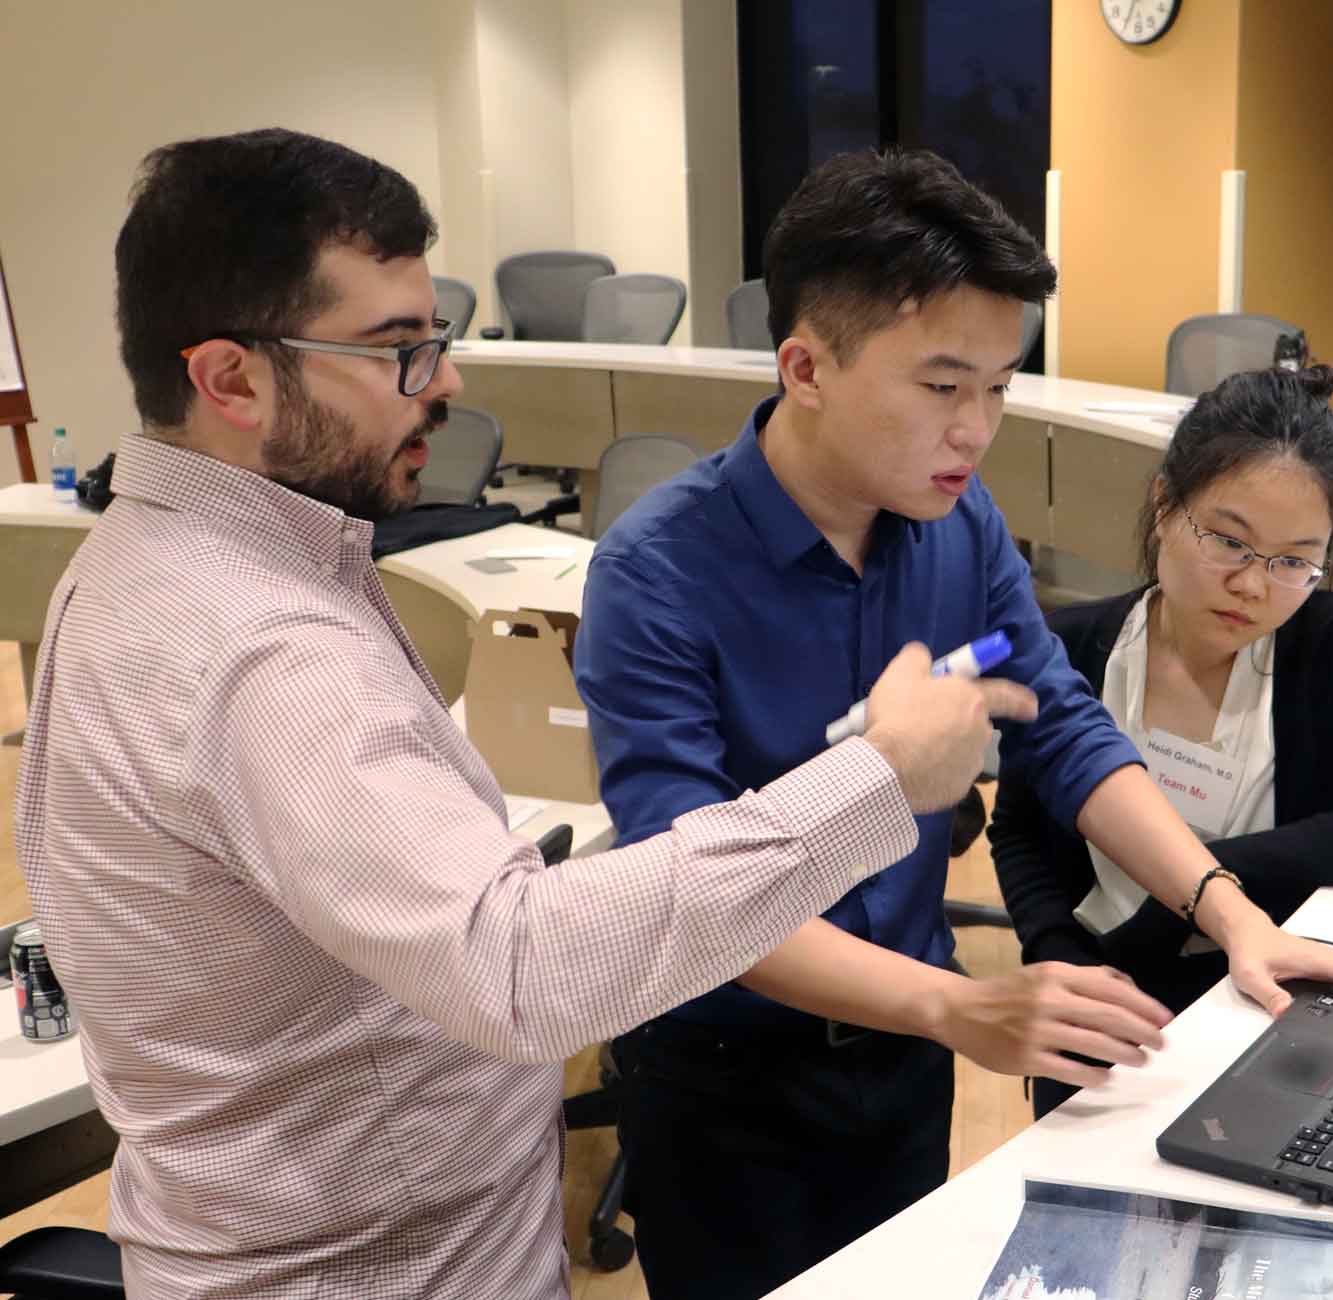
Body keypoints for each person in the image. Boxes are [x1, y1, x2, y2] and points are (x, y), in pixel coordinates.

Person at [13, 128, 1030, 1300]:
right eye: (397, 351)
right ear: (231, 380)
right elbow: (524, 969)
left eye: (434, 338)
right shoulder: (261, 650)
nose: (445, 383)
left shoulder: (151, 561)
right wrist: (878, 776)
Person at [571, 147, 1333, 1299]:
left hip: (908, 1058)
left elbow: (1061, 729)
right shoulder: (655, 576)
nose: (976, 429)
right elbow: (692, 894)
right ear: (805, 365)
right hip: (731, 1073)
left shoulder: (958, 528)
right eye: (941, 386)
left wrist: (1228, 914)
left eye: (1000, 387)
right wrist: (959, 1003)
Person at [990, 364, 1333, 1118]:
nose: (1255, 586)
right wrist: (1056, 954)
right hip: (1102, 1009)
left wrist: (1186, 894)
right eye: (1229, 543)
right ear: (1167, 504)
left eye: (1296, 561)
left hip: (1267, 1008)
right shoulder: (1069, 650)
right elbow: (1018, 830)